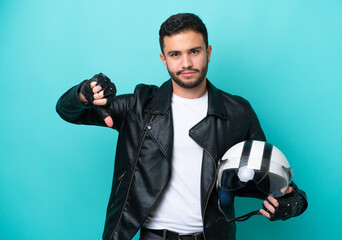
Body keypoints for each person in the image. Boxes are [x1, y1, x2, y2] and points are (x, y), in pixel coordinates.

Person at [56, 13, 307, 240]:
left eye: (194, 51)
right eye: (175, 54)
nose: (186, 63)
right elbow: (68, 111)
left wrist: (292, 200)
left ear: (208, 52)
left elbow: (260, 175)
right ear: (164, 60)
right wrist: (83, 93)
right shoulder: (138, 107)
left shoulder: (238, 112)